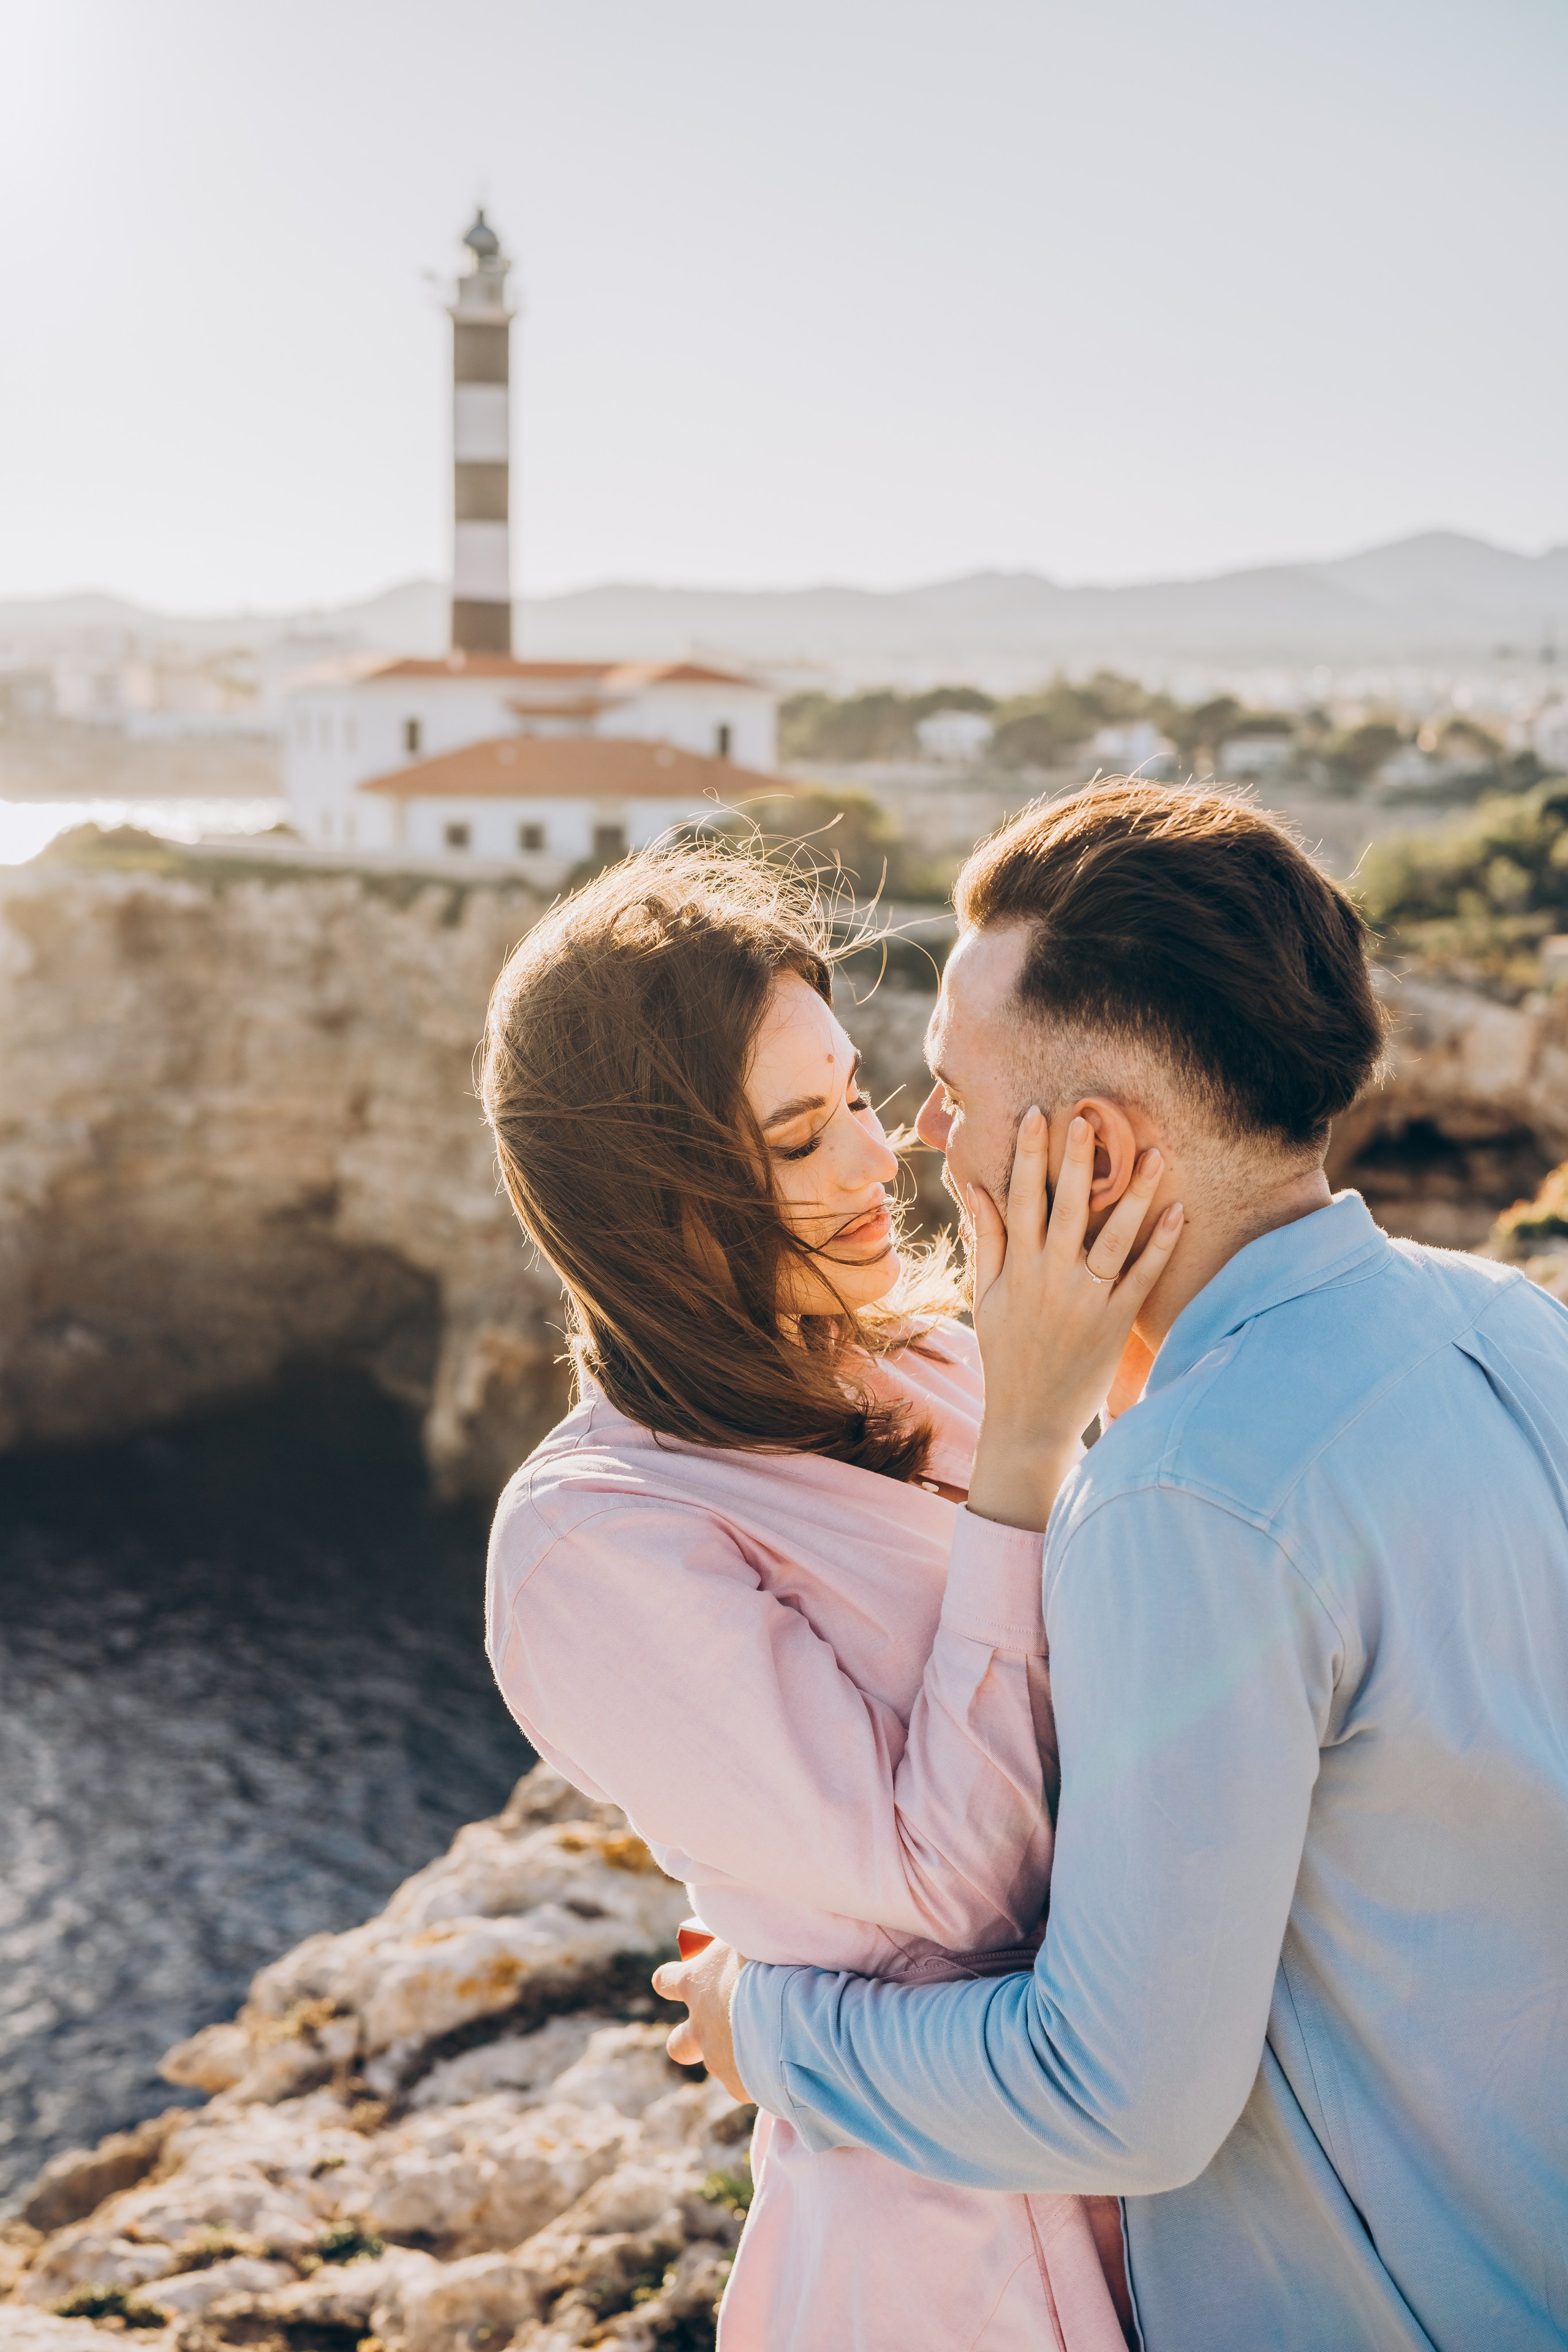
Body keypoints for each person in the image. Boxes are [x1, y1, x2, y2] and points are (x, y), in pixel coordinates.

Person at [659, 780, 1568, 2351]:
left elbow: (1113, 2098)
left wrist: (767, 2025)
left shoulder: (1184, 1504)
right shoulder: (1501, 1321)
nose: (919, 1136)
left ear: (1091, 1149)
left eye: (949, 1087)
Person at [478, 842, 1185, 2350]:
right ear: (644, 1205)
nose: (879, 1162)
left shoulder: (938, 1353)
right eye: (797, 1139)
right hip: (945, 2267)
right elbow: (961, 1890)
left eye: (854, 1097)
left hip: (1192, 2193)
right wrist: (1029, 1445)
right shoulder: (592, 1542)